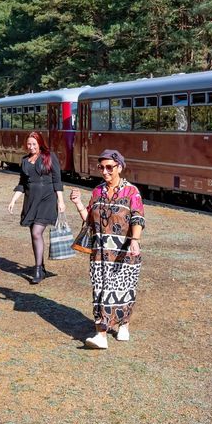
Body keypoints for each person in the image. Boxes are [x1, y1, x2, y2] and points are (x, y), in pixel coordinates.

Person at [68, 149, 145, 349]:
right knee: (100, 291)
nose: (105, 171)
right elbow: (90, 222)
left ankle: (124, 324)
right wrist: (77, 204)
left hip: (124, 252)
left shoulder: (132, 191)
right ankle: (100, 334)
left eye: (109, 167)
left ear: (119, 167)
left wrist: (135, 239)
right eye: (101, 167)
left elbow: (138, 217)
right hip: (100, 253)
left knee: (123, 290)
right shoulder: (97, 192)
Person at [7, 131, 66, 285]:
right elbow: (22, 183)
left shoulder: (49, 156)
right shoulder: (25, 160)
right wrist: (13, 200)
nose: (31, 147)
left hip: (47, 199)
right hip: (31, 200)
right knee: (34, 235)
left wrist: (61, 201)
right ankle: (41, 266)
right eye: (29, 144)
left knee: (36, 232)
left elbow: (57, 180)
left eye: (34, 144)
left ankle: (38, 270)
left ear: (40, 143)